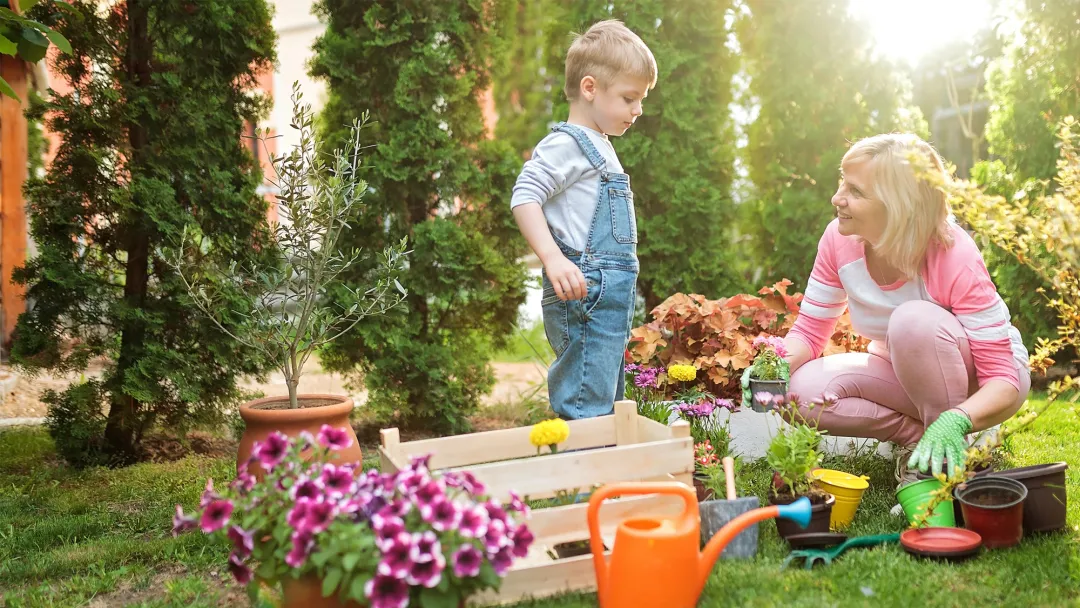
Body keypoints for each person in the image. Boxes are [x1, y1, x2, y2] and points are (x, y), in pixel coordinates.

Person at [777, 133, 1030, 480]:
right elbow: (808, 332)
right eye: (842, 183)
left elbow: (1002, 379)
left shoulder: (953, 254)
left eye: (855, 191)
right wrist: (772, 367)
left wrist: (961, 416)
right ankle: (926, 444)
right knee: (797, 395)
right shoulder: (838, 239)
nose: (837, 198)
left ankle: (943, 463)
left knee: (912, 321)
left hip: (984, 383)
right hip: (901, 369)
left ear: (897, 205)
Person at [510, 20, 657, 420]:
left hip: (607, 297)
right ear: (590, 88)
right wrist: (553, 259)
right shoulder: (567, 143)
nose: (638, 109)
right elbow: (525, 197)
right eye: (629, 97)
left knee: (605, 402)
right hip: (584, 293)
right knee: (585, 406)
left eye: (641, 99)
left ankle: (605, 480)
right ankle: (581, 481)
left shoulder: (600, 144)